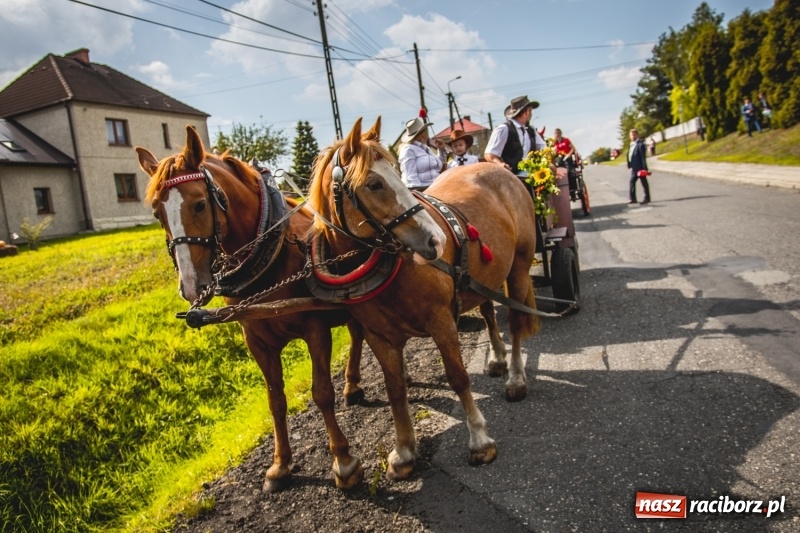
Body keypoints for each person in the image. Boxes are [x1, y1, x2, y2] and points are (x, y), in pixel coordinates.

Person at [484, 95, 545, 182]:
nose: (531, 114)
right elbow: (489, 154)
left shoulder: (531, 130)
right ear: (526, 112)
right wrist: (501, 164)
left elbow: (543, 148)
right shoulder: (504, 129)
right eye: (531, 111)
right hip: (510, 178)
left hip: (531, 175)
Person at [398, 117, 446, 191]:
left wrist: (441, 149)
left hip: (436, 187)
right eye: (425, 130)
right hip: (424, 191)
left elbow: (439, 166)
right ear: (423, 133)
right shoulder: (408, 150)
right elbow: (410, 177)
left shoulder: (426, 148)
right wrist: (421, 195)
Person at [627, 128, 650, 205]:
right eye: (631, 135)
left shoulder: (640, 144)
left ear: (637, 135)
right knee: (632, 182)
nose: (632, 136)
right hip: (634, 168)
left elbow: (643, 157)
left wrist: (644, 168)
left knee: (643, 182)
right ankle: (633, 198)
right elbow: (630, 155)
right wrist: (629, 164)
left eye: (634, 134)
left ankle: (647, 197)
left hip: (640, 167)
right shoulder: (631, 145)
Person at [554, 128, 578, 193]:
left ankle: (573, 190)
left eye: (558, 133)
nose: (557, 135)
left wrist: (568, 154)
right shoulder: (554, 143)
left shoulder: (566, 140)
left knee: (570, 172)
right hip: (559, 160)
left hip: (567, 158)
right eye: (556, 134)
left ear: (561, 133)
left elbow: (573, 148)